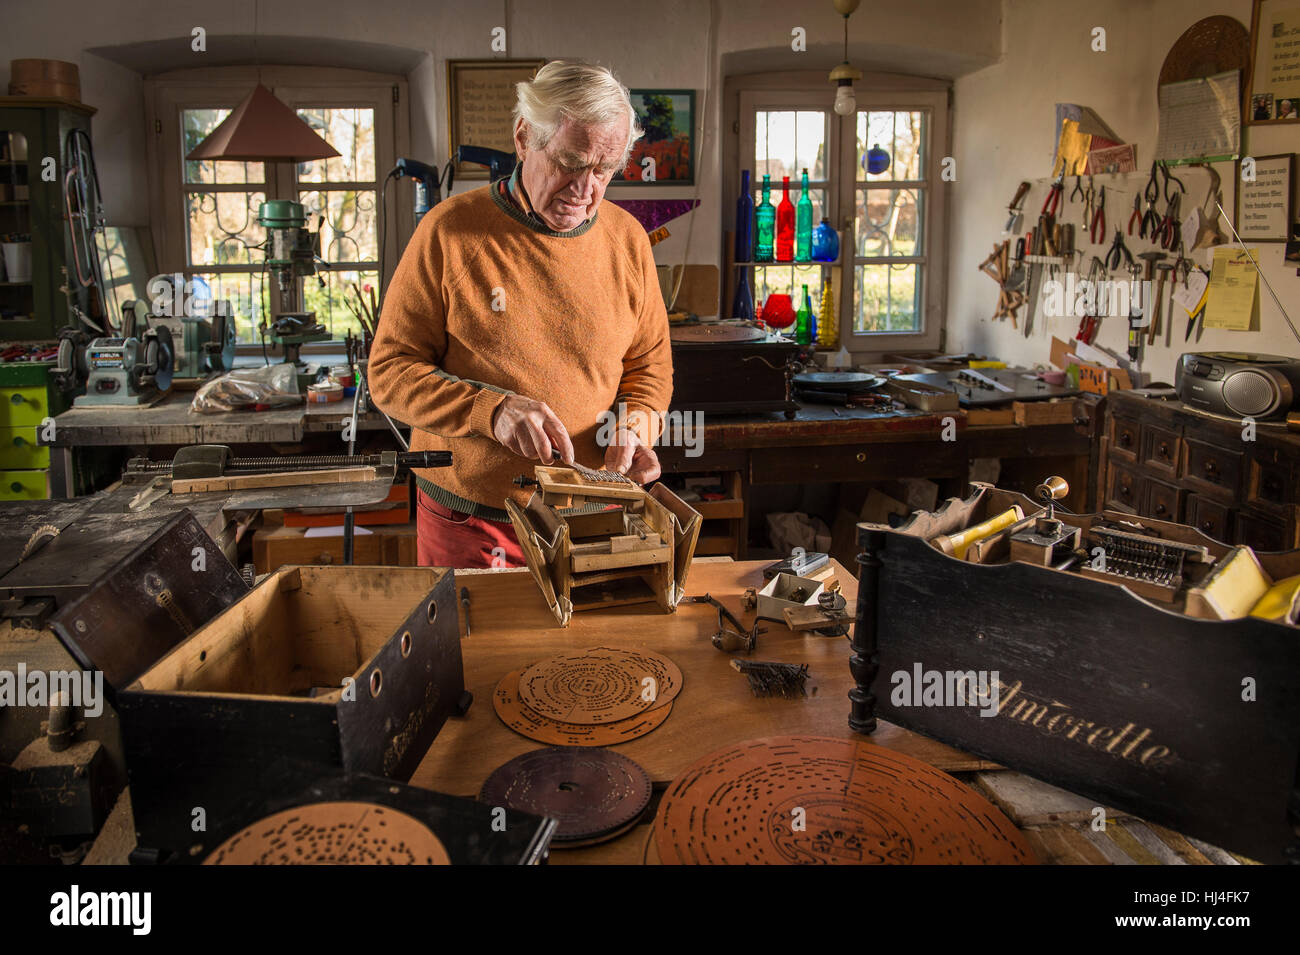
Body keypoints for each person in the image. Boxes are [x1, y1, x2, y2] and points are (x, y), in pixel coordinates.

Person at [368, 60, 673, 569]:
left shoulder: (628, 241)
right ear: (523, 137)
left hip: (597, 514)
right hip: (473, 520)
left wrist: (634, 426)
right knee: (473, 650)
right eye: (570, 163)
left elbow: (649, 368)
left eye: (603, 171)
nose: (585, 190)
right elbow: (389, 373)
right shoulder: (449, 233)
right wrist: (492, 411)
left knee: (594, 652)